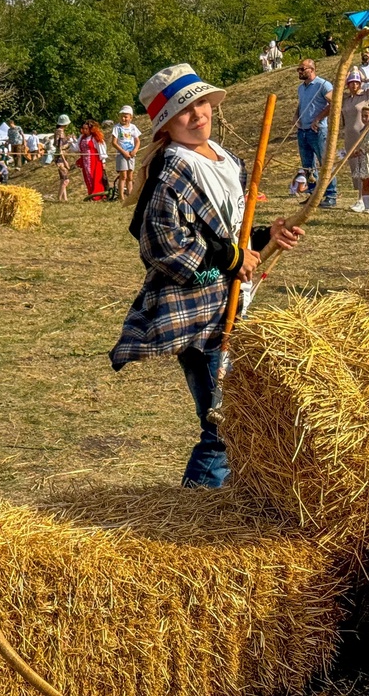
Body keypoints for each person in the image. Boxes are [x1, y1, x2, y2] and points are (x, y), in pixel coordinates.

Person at [110, 62, 303, 488]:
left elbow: (226, 230)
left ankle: (225, 501)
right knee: (221, 425)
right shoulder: (172, 166)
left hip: (233, 304)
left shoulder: (224, 158)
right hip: (198, 313)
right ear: (166, 123)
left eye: (201, 104)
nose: (198, 115)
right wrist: (232, 258)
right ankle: (193, 514)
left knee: (239, 416)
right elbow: (163, 242)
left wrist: (261, 236)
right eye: (185, 110)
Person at [294, 58, 338, 208]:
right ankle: (313, 195)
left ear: (311, 69)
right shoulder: (301, 88)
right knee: (307, 164)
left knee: (325, 162)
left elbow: (335, 103)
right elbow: (301, 104)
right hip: (303, 130)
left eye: (302, 69)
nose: (299, 72)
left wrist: (318, 118)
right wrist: (296, 117)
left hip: (318, 130)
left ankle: (331, 194)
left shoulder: (323, 85)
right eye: (299, 69)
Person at [340, 68, 369, 211]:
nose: (354, 85)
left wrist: (364, 79)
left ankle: (362, 199)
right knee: (355, 167)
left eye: (356, 83)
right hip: (349, 135)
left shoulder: (366, 95)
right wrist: (344, 78)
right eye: (351, 83)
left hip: (363, 134)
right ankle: (363, 199)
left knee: (365, 167)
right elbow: (329, 95)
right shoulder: (345, 99)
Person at [111, 106, 141, 200]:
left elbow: (137, 141)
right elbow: (114, 142)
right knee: (123, 175)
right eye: (122, 116)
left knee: (130, 176)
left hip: (131, 154)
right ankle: (121, 196)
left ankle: (130, 194)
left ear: (130, 117)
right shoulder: (117, 128)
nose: (123, 118)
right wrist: (123, 152)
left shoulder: (133, 127)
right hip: (121, 154)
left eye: (126, 116)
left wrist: (135, 150)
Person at [78, 119, 108, 201]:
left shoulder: (95, 138)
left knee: (96, 178)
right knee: (88, 178)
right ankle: (91, 194)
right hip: (85, 162)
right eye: (83, 128)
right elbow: (77, 148)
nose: (84, 130)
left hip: (95, 161)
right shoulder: (82, 138)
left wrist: (103, 161)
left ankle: (97, 196)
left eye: (86, 129)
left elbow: (101, 149)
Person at [52, 115, 73, 202]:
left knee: (62, 179)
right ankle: (59, 198)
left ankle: (65, 199)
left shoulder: (58, 131)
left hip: (60, 156)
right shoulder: (60, 132)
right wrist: (65, 161)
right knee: (65, 180)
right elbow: (59, 147)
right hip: (61, 157)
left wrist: (67, 138)